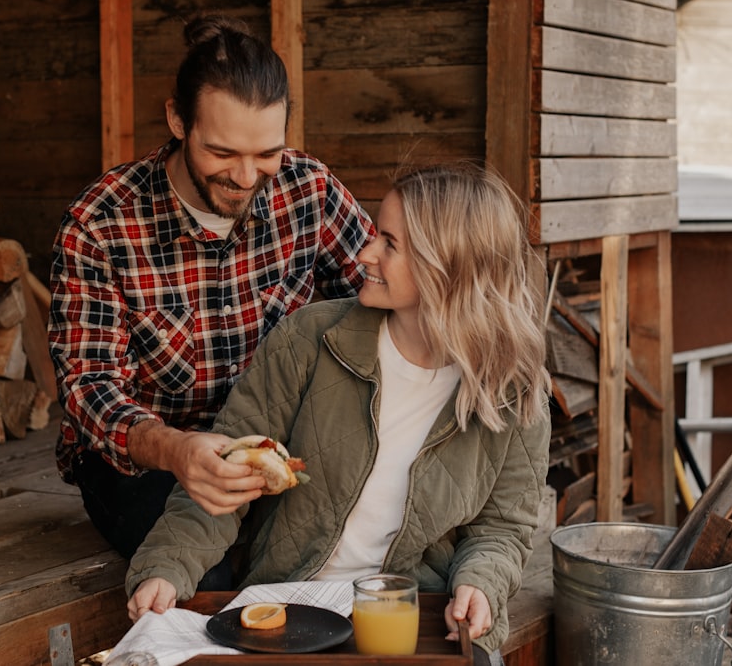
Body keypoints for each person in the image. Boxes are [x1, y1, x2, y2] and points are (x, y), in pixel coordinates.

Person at [125, 162, 552, 661]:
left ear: (448, 266)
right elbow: (223, 478)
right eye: (374, 234)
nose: (364, 253)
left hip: (418, 619)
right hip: (289, 613)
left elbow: (503, 528)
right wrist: (165, 568)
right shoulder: (309, 340)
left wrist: (481, 584)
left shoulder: (513, 392)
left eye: (389, 243)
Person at [47, 14, 375, 563]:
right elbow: (89, 391)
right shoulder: (99, 224)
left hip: (276, 443)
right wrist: (176, 451)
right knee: (216, 566)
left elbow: (384, 293)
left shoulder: (310, 191)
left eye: (266, 154)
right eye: (222, 153)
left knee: (348, 541)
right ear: (178, 119)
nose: (247, 177)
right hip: (145, 459)